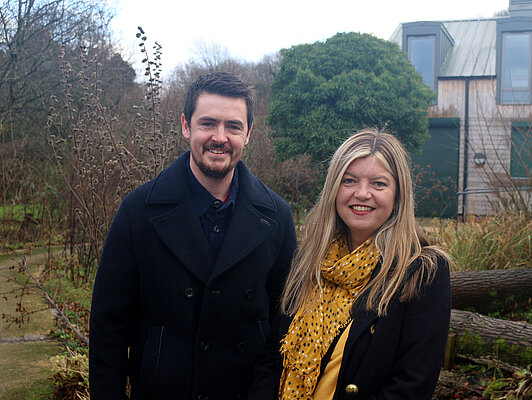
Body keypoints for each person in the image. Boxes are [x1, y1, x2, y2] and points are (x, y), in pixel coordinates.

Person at [89, 72, 298, 400]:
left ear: (249, 134)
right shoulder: (138, 212)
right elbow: (108, 327)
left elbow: (283, 323)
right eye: (208, 123)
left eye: (233, 126)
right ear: (186, 126)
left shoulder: (277, 216)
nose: (220, 137)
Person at [250, 128, 452, 399]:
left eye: (379, 184)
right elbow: (271, 358)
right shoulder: (309, 262)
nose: (362, 193)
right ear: (334, 188)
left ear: (398, 195)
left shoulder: (422, 271)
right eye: (349, 181)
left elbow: (412, 385)